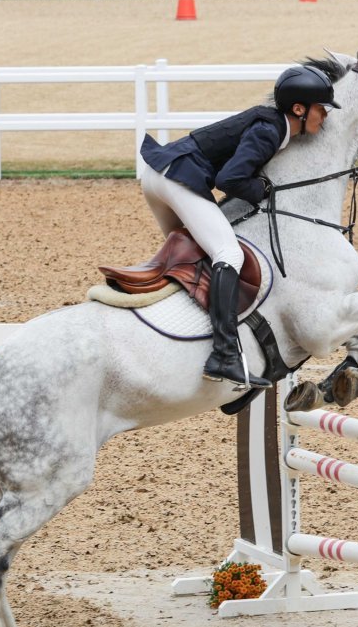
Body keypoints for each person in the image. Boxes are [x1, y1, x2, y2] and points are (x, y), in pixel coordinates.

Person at [138, 64, 340, 390]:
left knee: (197, 255)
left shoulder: (272, 126)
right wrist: (261, 190)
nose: (325, 117)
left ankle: (184, 339)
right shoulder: (270, 131)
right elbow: (229, 179)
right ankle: (223, 355)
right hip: (176, 178)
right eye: (321, 109)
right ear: (299, 109)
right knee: (228, 254)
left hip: (160, 175)